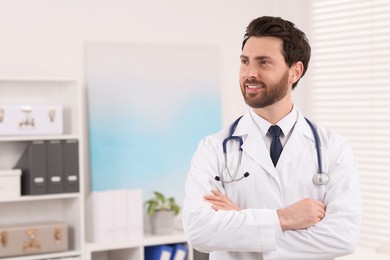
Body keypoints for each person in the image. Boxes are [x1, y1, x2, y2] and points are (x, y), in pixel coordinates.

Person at [182, 16, 361, 260]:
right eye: (245, 62)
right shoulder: (213, 148)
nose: (250, 73)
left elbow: (342, 238)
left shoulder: (333, 148)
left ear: (295, 71)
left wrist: (240, 220)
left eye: (263, 63)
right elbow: (199, 231)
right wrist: (284, 218)